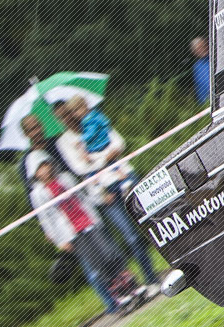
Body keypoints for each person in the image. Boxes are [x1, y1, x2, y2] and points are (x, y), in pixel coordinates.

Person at [54, 96, 157, 287]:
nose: (68, 118)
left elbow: (119, 143)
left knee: (153, 221)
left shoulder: (95, 119)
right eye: (62, 116)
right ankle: (150, 279)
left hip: (124, 176)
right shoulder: (64, 142)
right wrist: (106, 158)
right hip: (104, 191)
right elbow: (80, 168)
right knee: (131, 237)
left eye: (69, 113)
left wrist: (97, 159)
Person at [27, 151, 134, 314]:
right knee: (98, 264)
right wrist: (60, 241)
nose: (44, 170)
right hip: (72, 232)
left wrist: (100, 201)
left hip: (88, 221)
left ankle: (131, 287)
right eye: (39, 168)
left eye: (45, 165)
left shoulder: (65, 178)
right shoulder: (37, 194)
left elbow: (84, 196)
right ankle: (119, 297)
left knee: (110, 254)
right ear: (34, 173)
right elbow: (46, 217)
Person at [190, 36, 210, 104]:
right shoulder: (196, 67)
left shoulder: (216, 58)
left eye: (203, 46)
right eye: (199, 48)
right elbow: (199, 87)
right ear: (194, 52)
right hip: (206, 101)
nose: (202, 49)